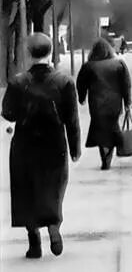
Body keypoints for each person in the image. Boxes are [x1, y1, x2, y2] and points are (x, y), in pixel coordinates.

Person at [4, 34, 82, 258]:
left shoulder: (18, 82)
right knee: (54, 187)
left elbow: (8, 113)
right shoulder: (65, 82)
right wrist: (75, 148)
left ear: (28, 53)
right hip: (54, 144)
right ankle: (54, 226)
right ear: (50, 53)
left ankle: (34, 242)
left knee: (26, 191)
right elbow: (72, 119)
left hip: (25, 145)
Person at [75, 39, 132, 170]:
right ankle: (109, 154)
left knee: (101, 130)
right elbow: (126, 85)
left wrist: (82, 97)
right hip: (114, 103)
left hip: (97, 104)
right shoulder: (119, 64)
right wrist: (127, 102)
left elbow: (81, 83)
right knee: (112, 127)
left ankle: (104, 155)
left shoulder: (89, 66)